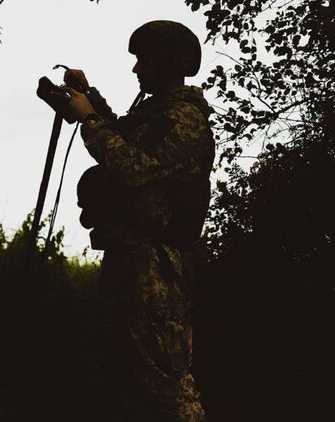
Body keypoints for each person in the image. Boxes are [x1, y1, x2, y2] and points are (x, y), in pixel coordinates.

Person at [45, 20, 214, 421]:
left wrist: (89, 119)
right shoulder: (156, 113)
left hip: (157, 265)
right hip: (130, 257)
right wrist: (89, 98)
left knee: (166, 382)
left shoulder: (184, 118)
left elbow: (133, 165)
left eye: (144, 60)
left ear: (167, 62)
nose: (136, 69)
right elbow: (125, 136)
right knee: (119, 379)